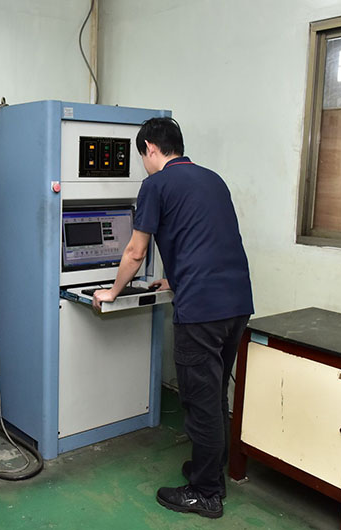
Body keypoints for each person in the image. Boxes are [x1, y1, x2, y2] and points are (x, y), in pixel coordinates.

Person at [91, 117, 253, 520]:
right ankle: (209, 472)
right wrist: (175, 278)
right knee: (215, 394)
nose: (144, 164)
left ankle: (206, 493)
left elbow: (135, 251)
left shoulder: (157, 184)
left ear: (150, 148)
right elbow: (206, 238)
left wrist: (112, 292)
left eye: (142, 155)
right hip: (236, 303)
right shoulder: (213, 179)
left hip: (201, 311)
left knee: (199, 401)